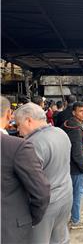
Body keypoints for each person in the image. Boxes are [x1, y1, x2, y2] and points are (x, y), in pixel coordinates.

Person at [14, 102, 73, 243]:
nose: (18, 130)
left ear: (28, 120)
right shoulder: (60, 132)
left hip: (46, 206)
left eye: (18, 125)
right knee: (60, 239)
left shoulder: (32, 144)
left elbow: (32, 183)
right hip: (66, 196)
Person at [1, 96, 50, 244]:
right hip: (9, 230)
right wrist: (30, 218)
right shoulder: (17, 147)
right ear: (9, 114)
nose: (19, 131)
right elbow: (41, 193)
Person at [62, 101, 83, 229]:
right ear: (74, 112)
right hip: (76, 168)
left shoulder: (74, 123)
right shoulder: (75, 128)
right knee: (77, 193)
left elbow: (80, 145)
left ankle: (75, 214)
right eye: (81, 111)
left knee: (74, 193)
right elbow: (77, 153)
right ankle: (75, 220)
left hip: (71, 165)